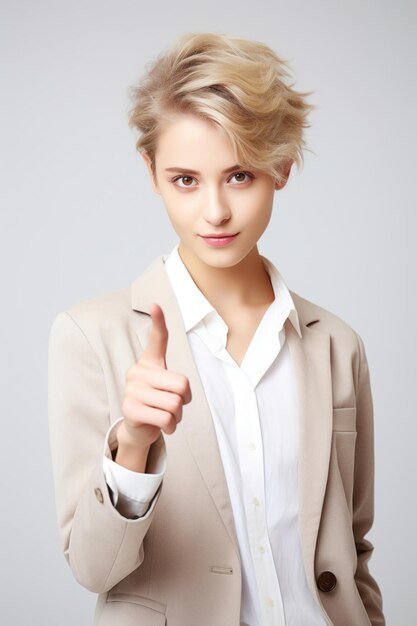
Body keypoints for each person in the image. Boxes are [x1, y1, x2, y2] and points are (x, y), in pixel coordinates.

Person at [48, 31, 385, 626]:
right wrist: (132, 445)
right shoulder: (89, 336)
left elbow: (351, 556)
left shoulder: (337, 345)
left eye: (239, 175)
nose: (215, 212)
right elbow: (94, 571)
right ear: (151, 172)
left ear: (281, 166)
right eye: (185, 180)